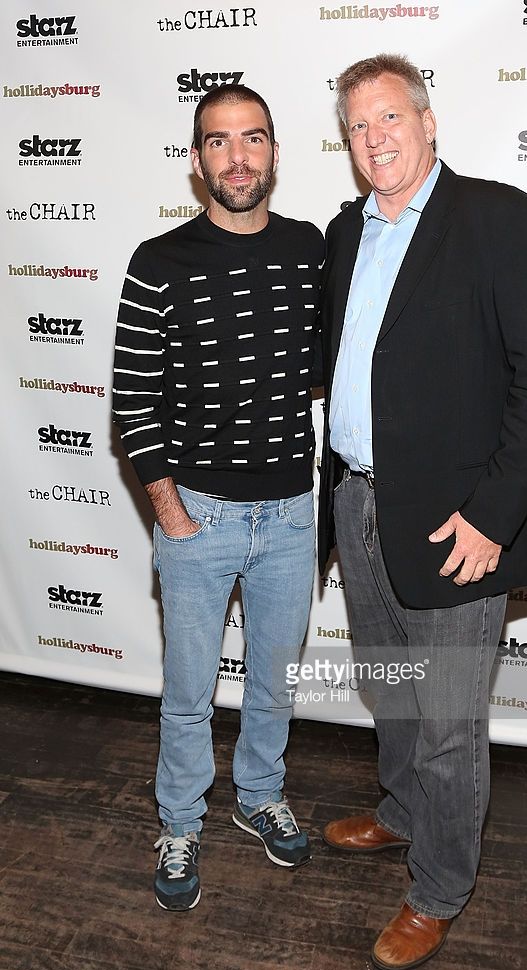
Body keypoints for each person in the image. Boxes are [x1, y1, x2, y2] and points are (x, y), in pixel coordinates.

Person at [318, 54, 527, 970]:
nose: (374, 136)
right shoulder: (345, 233)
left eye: (389, 116)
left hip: (456, 524)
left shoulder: (498, 217)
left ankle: (437, 890)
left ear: (427, 123)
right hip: (358, 502)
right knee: (390, 688)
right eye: (357, 125)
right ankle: (400, 814)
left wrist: (492, 517)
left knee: (448, 722)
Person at [113, 84, 323, 911]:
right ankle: (179, 822)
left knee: (274, 684)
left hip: (292, 514)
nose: (238, 158)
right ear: (196, 159)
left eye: (253, 138)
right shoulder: (157, 260)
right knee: (188, 695)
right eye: (218, 141)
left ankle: (259, 795)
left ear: (274, 151)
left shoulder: (309, 249)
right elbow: (133, 399)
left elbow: (327, 366)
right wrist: (171, 514)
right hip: (195, 515)